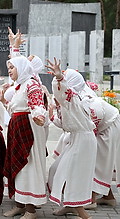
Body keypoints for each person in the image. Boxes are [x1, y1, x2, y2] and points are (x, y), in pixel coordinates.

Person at [0, 56, 47, 219]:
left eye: (12, 67)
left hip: (28, 128)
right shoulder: (20, 85)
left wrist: (39, 116)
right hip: (17, 127)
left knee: (28, 166)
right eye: (8, 67)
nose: (9, 70)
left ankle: (30, 210)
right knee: (17, 165)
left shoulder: (31, 84)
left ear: (22, 67)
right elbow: (14, 108)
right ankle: (19, 204)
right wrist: (2, 99)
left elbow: (37, 104)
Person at [46, 61, 97, 219]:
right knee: (56, 170)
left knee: (75, 175)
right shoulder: (70, 102)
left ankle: (81, 212)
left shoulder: (73, 99)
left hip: (83, 140)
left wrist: (59, 77)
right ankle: (70, 205)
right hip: (78, 138)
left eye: (67, 77)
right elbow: (64, 123)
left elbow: (64, 91)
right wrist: (52, 115)